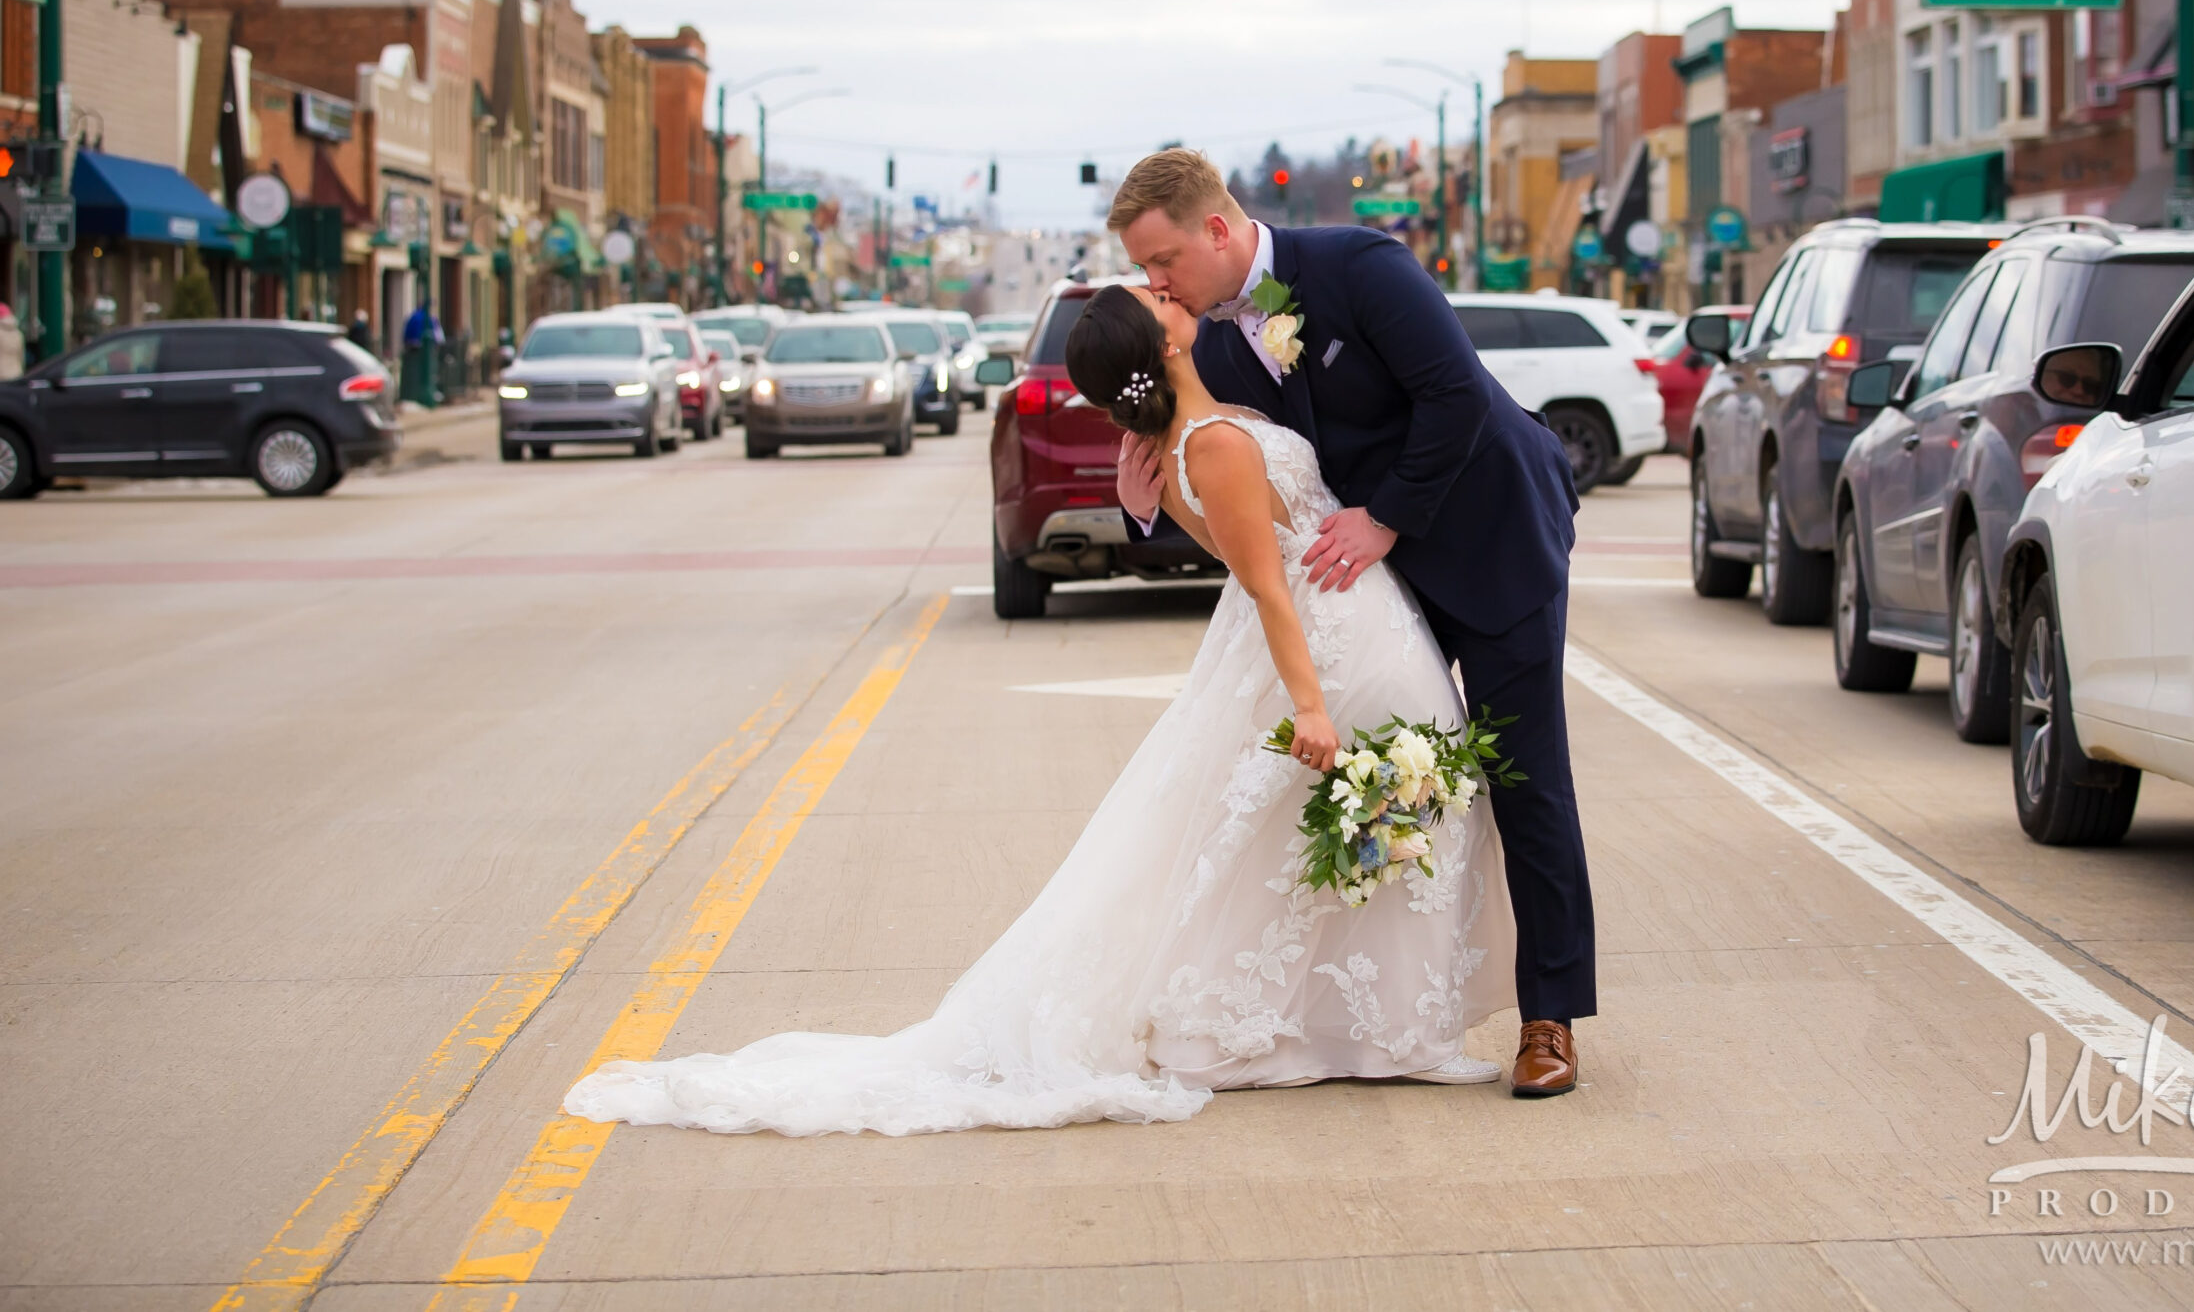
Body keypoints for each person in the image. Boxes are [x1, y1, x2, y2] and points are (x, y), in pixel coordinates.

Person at [563, 283, 1512, 1137]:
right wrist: (1309, 704)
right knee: (1348, 829)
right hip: (1323, 646)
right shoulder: (1210, 444)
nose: (1170, 293)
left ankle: (1352, 1022)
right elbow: (1266, 587)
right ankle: (1335, 1027)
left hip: (1351, 631)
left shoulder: (1180, 444)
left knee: (1292, 849)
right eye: (1159, 297)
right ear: (1166, 347)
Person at [1109, 148, 1593, 1098]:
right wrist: (1145, 497)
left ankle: (1551, 1017)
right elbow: (1220, 465)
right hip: (1371, 588)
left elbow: (1454, 396)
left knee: (1525, 773)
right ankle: (1377, 1004)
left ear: (1217, 228)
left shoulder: (1361, 264)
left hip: (1492, 534)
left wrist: (1385, 517)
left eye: (1163, 260)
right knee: (1382, 779)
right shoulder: (1203, 338)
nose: (1154, 283)